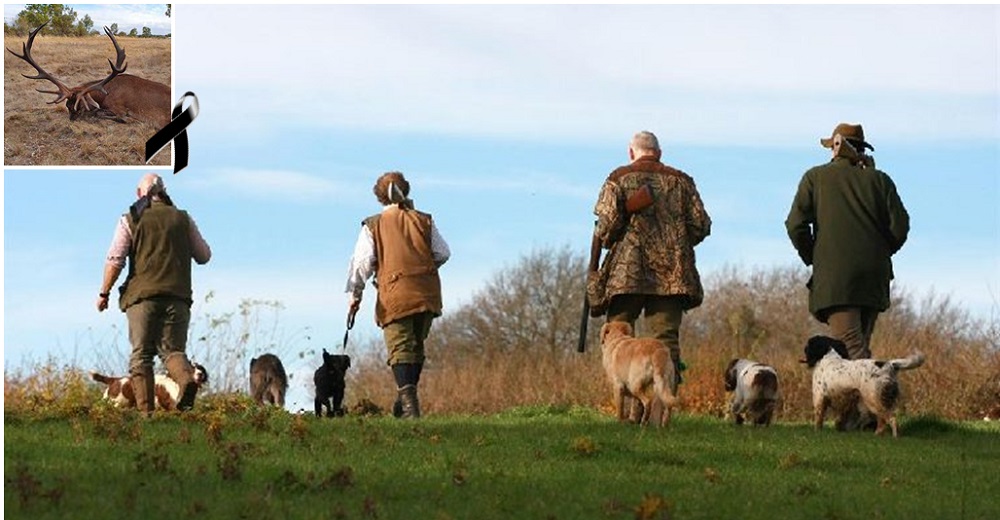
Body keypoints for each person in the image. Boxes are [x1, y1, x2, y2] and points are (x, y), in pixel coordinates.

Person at [590, 130, 712, 387]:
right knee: (665, 339)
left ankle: (628, 404)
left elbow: (605, 226)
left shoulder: (618, 178)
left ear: (631, 152)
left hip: (627, 274)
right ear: (659, 153)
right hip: (672, 275)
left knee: (619, 337)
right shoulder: (682, 181)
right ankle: (661, 412)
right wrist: (675, 241)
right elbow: (701, 225)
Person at [786, 123, 909, 361]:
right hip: (874, 277)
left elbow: (795, 225)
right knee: (858, 346)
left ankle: (883, 395)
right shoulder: (880, 180)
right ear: (862, 150)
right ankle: (862, 396)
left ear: (835, 147)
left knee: (851, 348)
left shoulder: (815, 177)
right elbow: (900, 227)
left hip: (836, 279)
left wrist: (814, 257)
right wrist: (880, 252)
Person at [96, 173, 212, 416]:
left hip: (142, 299)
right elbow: (204, 256)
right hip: (178, 298)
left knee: (142, 355)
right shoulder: (183, 218)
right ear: (165, 192)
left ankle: (146, 414)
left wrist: (104, 292)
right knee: (173, 352)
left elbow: (115, 259)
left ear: (140, 194)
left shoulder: (130, 219)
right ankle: (187, 381)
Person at [345, 171, 450, 419]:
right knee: (415, 348)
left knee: (401, 349)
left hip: (395, 294)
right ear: (407, 190)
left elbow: (362, 264)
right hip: (427, 293)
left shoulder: (373, 225)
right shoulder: (424, 220)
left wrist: (356, 295)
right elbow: (443, 253)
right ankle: (402, 404)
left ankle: (411, 411)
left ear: (380, 197)